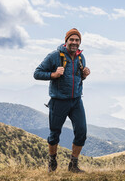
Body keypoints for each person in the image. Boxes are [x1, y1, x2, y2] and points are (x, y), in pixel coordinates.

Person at [34, 28, 90, 173]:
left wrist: (84, 75)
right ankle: (52, 161)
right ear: (66, 41)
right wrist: (53, 74)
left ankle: (73, 165)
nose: (74, 42)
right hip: (59, 101)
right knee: (54, 134)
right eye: (71, 39)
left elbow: (77, 78)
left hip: (76, 101)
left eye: (77, 40)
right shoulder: (54, 56)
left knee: (82, 132)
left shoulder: (80, 57)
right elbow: (37, 73)